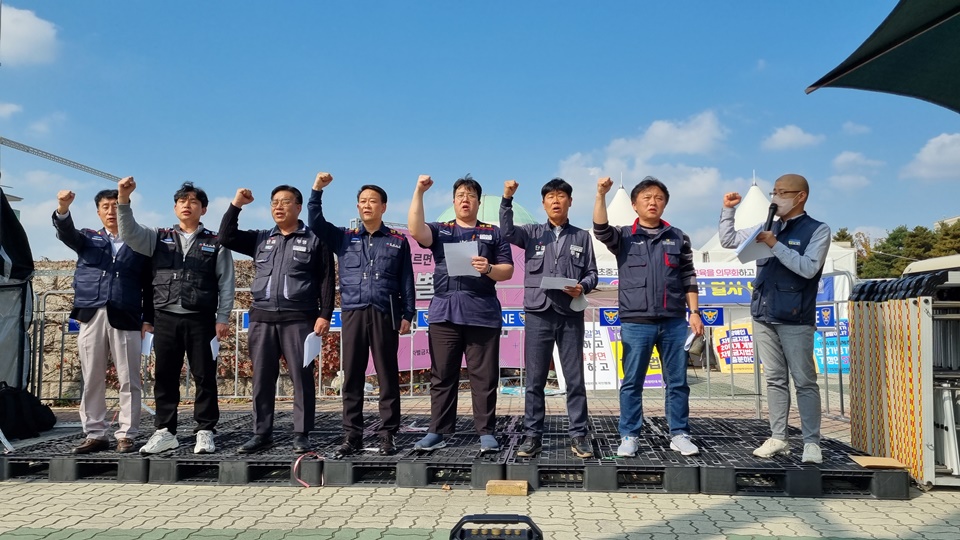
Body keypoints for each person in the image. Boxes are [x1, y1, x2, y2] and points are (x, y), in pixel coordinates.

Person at [117, 178, 235, 455]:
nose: (187, 205)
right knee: (165, 376)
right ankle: (165, 431)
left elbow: (226, 282)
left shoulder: (216, 242)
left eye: (194, 201)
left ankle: (205, 431)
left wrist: (223, 317)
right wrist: (124, 200)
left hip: (201, 319)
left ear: (203, 209)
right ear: (174, 207)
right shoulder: (158, 237)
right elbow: (129, 233)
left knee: (205, 375)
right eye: (183, 201)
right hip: (165, 317)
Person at [719, 174, 829, 464]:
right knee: (775, 379)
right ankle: (779, 437)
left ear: (800, 196)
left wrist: (776, 245)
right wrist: (728, 210)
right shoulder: (767, 226)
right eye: (774, 192)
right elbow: (728, 240)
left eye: (782, 193)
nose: (775, 198)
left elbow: (808, 268)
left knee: (804, 381)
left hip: (795, 317)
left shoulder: (817, 230)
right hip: (763, 313)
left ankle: (811, 442)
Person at [218, 185, 335, 454]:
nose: (278, 207)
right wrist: (236, 204)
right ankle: (262, 433)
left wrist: (324, 314)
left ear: (298, 206)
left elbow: (327, 278)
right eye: (274, 203)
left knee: (301, 378)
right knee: (261, 379)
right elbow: (225, 237)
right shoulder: (260, 238)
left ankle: (301, 434)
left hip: (299, 319)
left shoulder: (315, 239)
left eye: (285, 202)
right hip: (262, 319)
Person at [593, 176, 703, 457]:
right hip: (635, 321)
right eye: (646, 197)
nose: (653, 202)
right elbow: (600, 228)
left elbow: (688, 276)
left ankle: (679, 433)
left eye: (659, 198)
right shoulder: (624, 237)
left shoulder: (678, 237)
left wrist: (694, 313)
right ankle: (629, 435)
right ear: (634, 204)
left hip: (674, 321)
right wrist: (600, 195)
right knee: (632, 382)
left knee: (677, 381)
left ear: (665, 203)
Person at [308, 172, 415, 456]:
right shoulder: (343, 238)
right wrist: (317, 191)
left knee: (388, 376)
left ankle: (388, 434)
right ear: (357, 207)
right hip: (354, 313)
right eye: (362, 201)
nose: (367, 205)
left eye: (373, 201)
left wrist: (409, 314)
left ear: (384, 207)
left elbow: (407, 280)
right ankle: (352, 435)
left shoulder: (397, 241)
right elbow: (315, 223)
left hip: (385, 312)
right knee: (352, 376)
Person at [407, 174, 514, 453]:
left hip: (482, 313)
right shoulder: (442, 230)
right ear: (453, 202)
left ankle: (486, 431)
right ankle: (437, 431)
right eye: (460, 196)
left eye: (471, 196)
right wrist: (419, 191)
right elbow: (416, 229)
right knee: (442, 375)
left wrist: (488, 268)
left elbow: (508, 270)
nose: (465, 200)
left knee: (484, 376)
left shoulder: (494, 233)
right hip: (445, 313)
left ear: (479, 202)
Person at [499, 178, 598, 458]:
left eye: (561, 196)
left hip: (569, 314)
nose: (556, 201)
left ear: (570, 201)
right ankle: (532, 435)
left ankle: (579, 435)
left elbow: (592, 273)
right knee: (535, 380)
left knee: (574, 379)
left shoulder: (581, 237)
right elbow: (506, 231)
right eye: (551, 197)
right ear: (543, 203)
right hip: (538, 313)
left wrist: (583, 286)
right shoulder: (531, 233)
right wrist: (506, 199)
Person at [52, 189, 154, 454]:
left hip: (128, 316)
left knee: (129, 378)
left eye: (115, 206)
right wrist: (63, 209)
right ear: (98, 212)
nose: (111, 211)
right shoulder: (87, 238)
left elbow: (149, 285)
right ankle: (95, 433)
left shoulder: (139, 243)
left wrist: (149, 319)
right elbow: (66, 233)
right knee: (93, 377)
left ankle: (127, 434)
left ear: (125, 208)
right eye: (105, 207)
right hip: (92, 314)